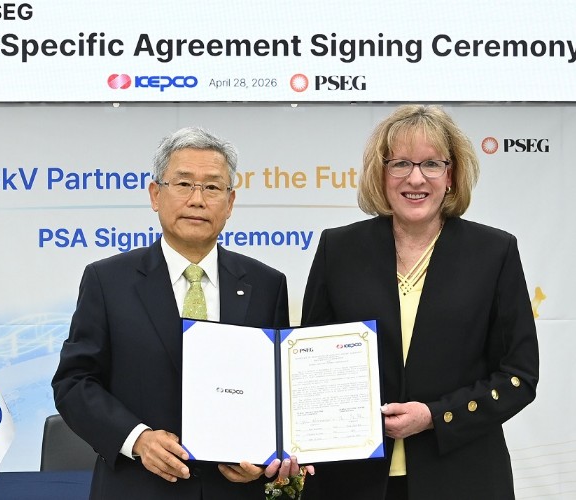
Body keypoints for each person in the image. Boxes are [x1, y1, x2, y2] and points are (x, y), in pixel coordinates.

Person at [52, 127, 307, 500]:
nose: (197, 200)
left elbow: (278, 392)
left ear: (230, 202)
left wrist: (263, 457)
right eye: (184, 184)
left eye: (212, 187)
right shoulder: (108, 281)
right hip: (138, 488)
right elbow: (74, 383)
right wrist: (138, 439)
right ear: (156, 195)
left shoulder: (267, 284)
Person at [301, 105, 539, 500]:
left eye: (431, 164)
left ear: (451, 175)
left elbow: (518, 376)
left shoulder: (493, 252)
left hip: (462, 480)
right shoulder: (337, 249)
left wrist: (434, 416)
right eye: (400, 164)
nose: (416, 178)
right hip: (351, 481)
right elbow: (308, 364)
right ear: (381, 174)